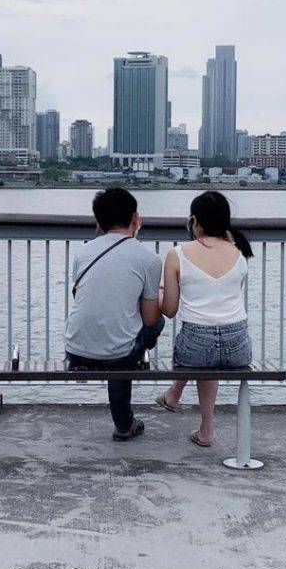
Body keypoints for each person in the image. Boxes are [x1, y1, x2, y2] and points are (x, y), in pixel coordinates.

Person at [155, 191, 253, 447]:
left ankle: (177, 396)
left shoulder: (178, 254)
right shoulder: (240, 253)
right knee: (209, 341)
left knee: (199, 343)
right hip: (238, 345)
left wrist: (161, 292)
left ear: (194, 221)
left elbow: (170, 310)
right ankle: (203, 427)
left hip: (197, 345)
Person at [64, 187, 164, 441]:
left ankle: (124, 422)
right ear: (136, 219)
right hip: (118, 355)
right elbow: (151, 319)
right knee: (145, 328)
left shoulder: (82, 253)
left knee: (117, 332)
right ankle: (124, 424)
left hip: (75, 350)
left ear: (98, 223)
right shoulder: (148, 258)